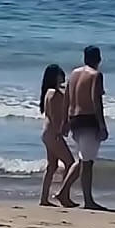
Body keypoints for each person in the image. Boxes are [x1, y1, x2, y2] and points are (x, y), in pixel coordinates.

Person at [62, 46, 109, 211]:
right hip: (89, 119)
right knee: (87, 162)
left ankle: (63, 192)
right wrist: (102, 125)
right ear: (99, 59)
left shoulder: (73, 74)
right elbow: (96, 101)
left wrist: (64, 122)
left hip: (74, 119)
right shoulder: (96, 75)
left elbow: (67, 98)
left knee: (83, 159)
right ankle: (88, 201)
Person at [38, 64, 78, 207]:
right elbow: (55, 116)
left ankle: (44, 198)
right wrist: (60, 131)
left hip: (47, 133)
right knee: (70, 163)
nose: (63, 77)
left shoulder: (48, 92)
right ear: (55, 77)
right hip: (53, 132)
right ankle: (64, 194)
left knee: (52, 166)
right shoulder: (55, 93)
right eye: (60, 75)